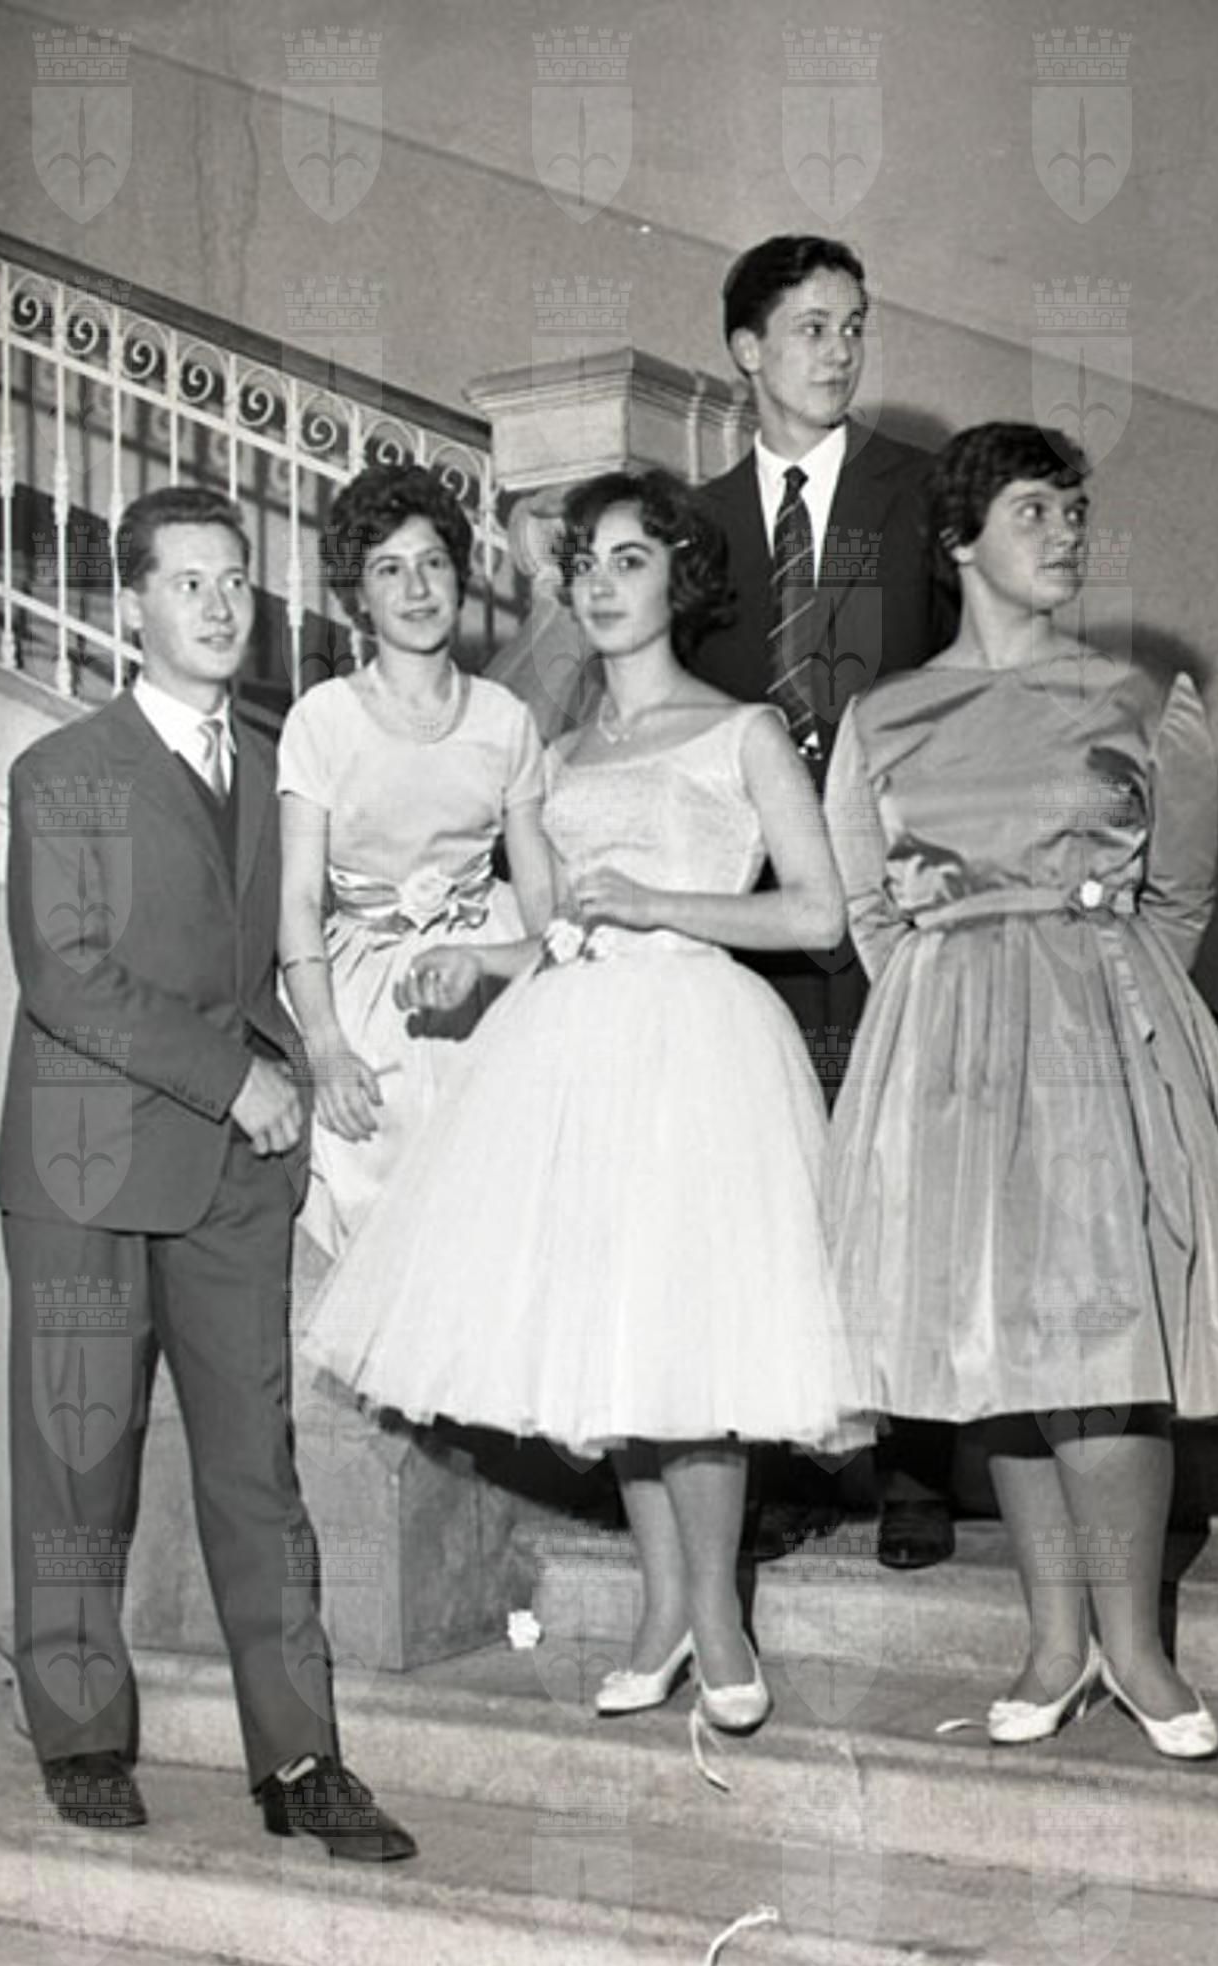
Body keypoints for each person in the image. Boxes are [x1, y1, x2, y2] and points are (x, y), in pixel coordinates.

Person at [304, 469, 871, 1735]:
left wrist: (661, 901)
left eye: (631, 560)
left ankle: (716, 1615)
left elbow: (817, 914)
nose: (604, 586)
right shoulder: (551, 753)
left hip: (696, 1041)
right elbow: (563, 927)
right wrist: (483, 959)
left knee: (696, 1337)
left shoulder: (744, 731)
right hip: (572, 1041)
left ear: (679, 578)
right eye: (588, 566)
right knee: (614, 1334)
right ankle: (659, 1610)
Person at [822, 424, 1218, 1758]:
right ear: (958, 541)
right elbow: (869, 912)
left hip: (1096, 1042)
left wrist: (1092, 998)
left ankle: (1138, 1651)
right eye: (1032, 513)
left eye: (1072, 512)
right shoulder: (880, 718)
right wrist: (953, 1009)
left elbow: (1178, 898)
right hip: (945, 1057)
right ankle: (1053, 1646)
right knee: (999, 1352)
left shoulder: (1136, 701)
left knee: (1103, 1349)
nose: (1065, 535)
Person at [0, 485, 415, 1860]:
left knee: (256, 1469)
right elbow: (67, 975)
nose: (222, 604)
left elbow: (292, 949)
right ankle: (79, 1738)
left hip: (236, 1176)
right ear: (131, 603)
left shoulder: (282, 764)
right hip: (85, 1167)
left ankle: (299, 1758)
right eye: (189, 582)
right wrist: (235, 1076)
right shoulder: (63, 770)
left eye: (236, 580)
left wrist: (315, 1057)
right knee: (79, 1466)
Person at [694, 232, 960, 1571]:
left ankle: (913, 1466)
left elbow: (965, 674)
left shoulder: (918, 492)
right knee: (767, 1181)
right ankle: (783, 1455)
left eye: (853, 326)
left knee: (896, 1174)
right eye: (810, 327)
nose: (839, 349)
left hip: (894, 892)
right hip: (753, 911)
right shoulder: (693, 524)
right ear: (746, 349)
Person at [278, 464, 552, 1257]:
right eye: (387, 569)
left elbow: (541, 894)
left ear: (459, 576)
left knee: (503, 1227)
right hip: (365, 1001)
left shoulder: (503, 718)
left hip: (489, 983)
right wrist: (326, 1048)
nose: (416, 587)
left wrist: (550, 991)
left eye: (432, 562)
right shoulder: (322, 720)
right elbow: (297, 900)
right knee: (385, 1235)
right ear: (357, 596)